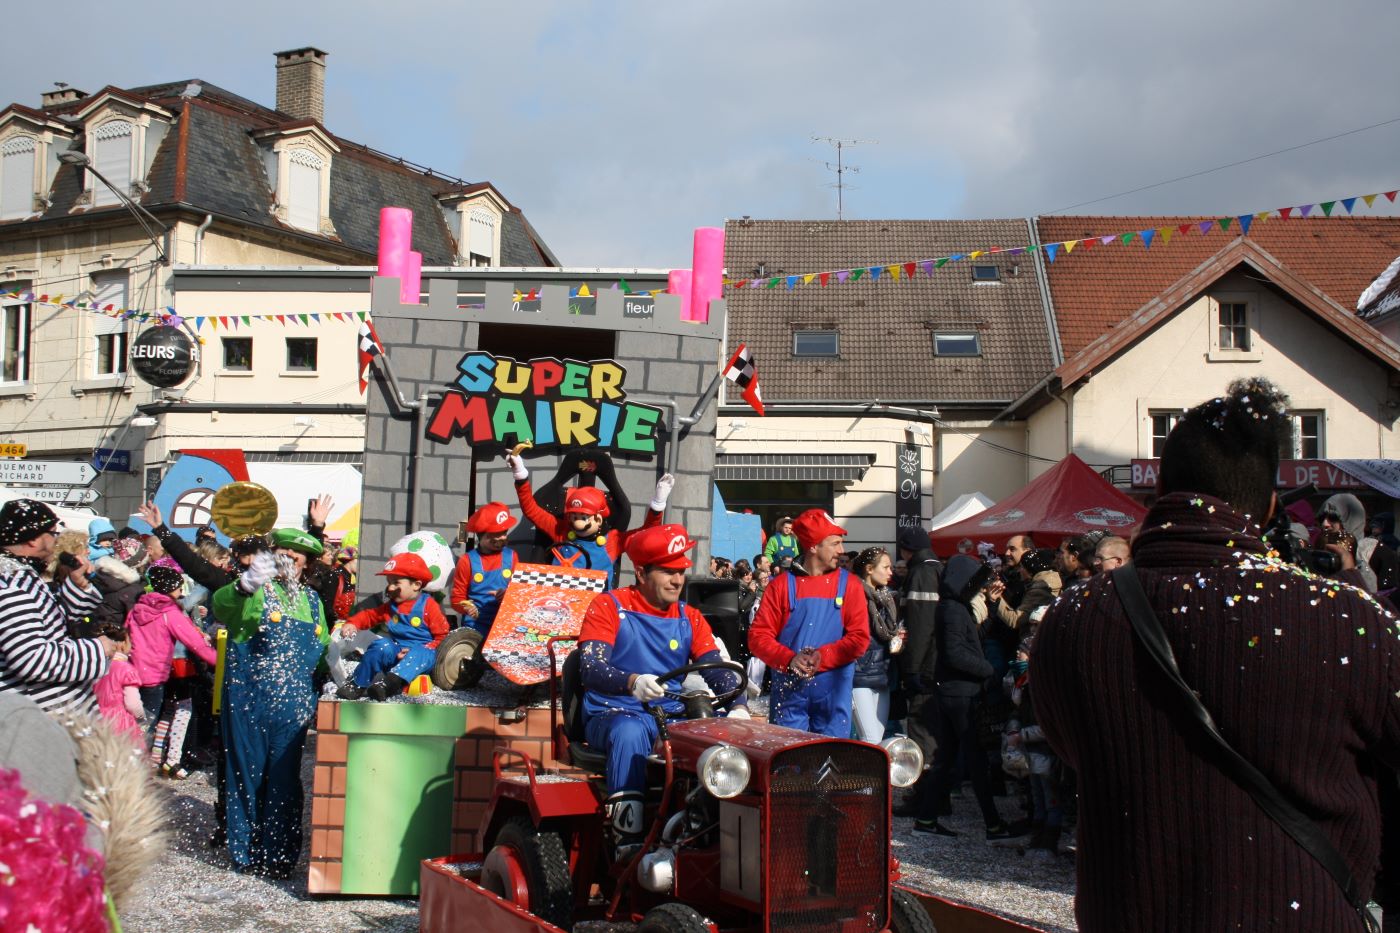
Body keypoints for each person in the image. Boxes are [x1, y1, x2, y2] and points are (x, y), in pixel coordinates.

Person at [1034, 377, 1400, 930]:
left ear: (1159, 489)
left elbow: (1072, 747)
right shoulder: (1347, 619)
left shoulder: (1076, 617)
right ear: (1272, 503)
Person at [579, 523, 747, 858]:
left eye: (681, 571)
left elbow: (714, 668)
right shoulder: (608, 607)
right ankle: (626, 840)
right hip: (612, 712)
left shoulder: (691, 617)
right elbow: (591, 667)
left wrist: (739, 706)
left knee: (715, 735)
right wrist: (631, 682)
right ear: (641, 573)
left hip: (667, 714)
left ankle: (710, 830)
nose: (677, 580)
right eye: (668, 572)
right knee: (629, 732)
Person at [212, 527, 330, 878]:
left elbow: (321, 651)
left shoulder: (313, 602)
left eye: (296, 555)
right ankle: (246, 852)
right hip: (250, 701)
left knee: (284, 780)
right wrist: (243, 585)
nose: (288, 558)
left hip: (294, 708)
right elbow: (222, 606)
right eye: (282, 552)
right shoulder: (256, 590)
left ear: (307, 563)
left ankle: (278, 857)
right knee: (246, 776)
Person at [913, 553, 1011, 840]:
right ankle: (992, 824)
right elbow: (956, 653)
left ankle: (927, 818)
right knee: (975, 759)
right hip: (960, 693)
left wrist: (990, 610)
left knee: (948, 757)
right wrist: (988, 670)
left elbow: (973, 641)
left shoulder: (954, 607)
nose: (979, 587)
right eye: (975, 582)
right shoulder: (954, 610)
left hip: (953, 691)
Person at [748, 509, 869, 737]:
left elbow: (859, 638)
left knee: (832, 762)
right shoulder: (781, 586)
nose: (841, 551)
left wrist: (822, 657)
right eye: (835, 544)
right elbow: (758, 637)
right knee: (788, 763)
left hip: (834, 696)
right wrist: (788, 659)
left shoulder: (851, 585)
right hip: (789, 698)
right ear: (813, 546)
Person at [0, 499, 117, 712]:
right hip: (44, 720)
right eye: (53, 534)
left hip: (56, 713)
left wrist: (77, 586)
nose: (56, 542)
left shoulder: (21, 576)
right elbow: (33, 660)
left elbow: (51, 625)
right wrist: (97, 649)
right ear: (34, 540)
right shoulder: (10, 586)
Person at [507, 449, 672, 586]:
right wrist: (520, 474)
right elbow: (531, 509)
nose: (576, 522)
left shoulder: (613, 541)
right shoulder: (561, 530)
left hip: (596, 606)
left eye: (583, 517)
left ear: (598, 519)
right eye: (573, 516)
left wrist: (658, 504)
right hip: (558, 599)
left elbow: (646, 534)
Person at [337, 552, 450, 701]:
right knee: (381, 645)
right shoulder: (391, 607)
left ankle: (389, 684)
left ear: (416, 585)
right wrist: (353, 623)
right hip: (398, 651)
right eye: (389, 582)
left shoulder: (429, 606)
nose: (390, 588)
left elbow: (443, 637)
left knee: (420, 652)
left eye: (396, 583)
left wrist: (416, 651)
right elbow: (370, 615)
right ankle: (357, 684)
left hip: (423, 655)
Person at [895, 524, 942, 813]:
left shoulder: (922, 572)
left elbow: (921, 624)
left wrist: (912, 668)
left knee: (922, 730)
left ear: (905, 548)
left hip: (925, 666)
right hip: (936, 663)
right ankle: (934, 796)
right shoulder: (936, 567)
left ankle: (924, 797)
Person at [852, 547, 900, 744]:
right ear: (870, 569)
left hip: (883, 674)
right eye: (886, 567)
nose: (891, 572)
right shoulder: (855, 595)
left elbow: (888, 632)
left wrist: (897, 639)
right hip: (860, 675)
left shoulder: (887, 597)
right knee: (870, 738)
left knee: (877, 737)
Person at [451, 502, 518, 636]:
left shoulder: (512, 557)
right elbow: (456, 598)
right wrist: (467, 607)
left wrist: (507, 595)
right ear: (481, 535)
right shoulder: (467, 561)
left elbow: (519, 593)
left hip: (504, 621)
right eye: (496, 534)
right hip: (475, 624)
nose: (502, 537)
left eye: (504, 532)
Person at [93, 625, 146, 744]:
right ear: (122, 644)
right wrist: (141, 716)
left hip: (95, 716)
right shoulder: (126, 670)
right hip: (119, 721)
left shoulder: (96, 665)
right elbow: (132, 703)